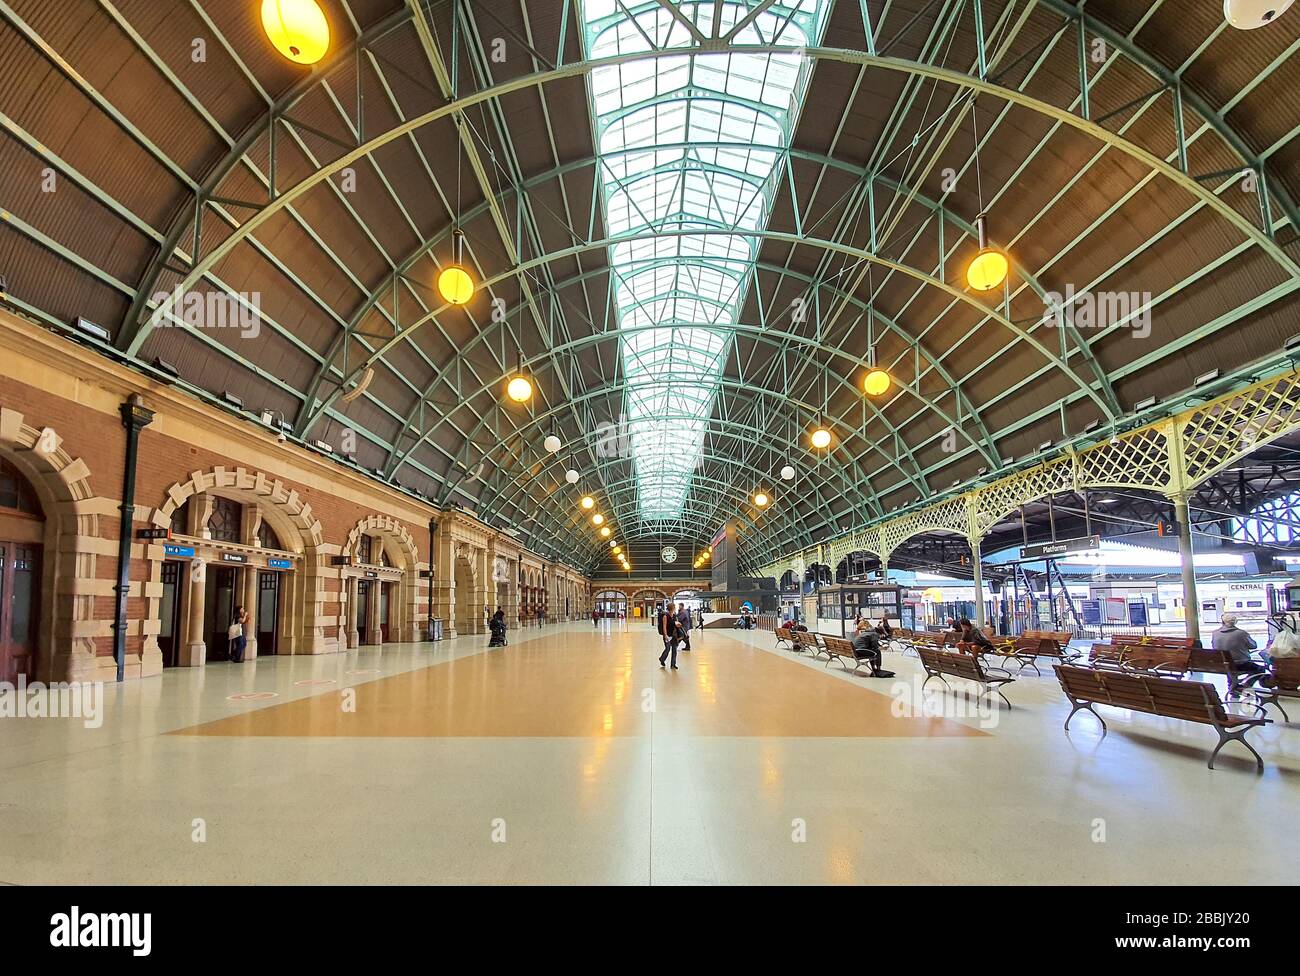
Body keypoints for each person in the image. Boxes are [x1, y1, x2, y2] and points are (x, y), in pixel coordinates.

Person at [1213, 613, 1265, 679]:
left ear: (1222, 622)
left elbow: (1215, 647)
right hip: (1240, 665)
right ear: (1235, 622)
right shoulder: (1241, 633)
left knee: (1230, 667)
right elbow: (1253, 646)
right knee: (1260, 670)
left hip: (1222, 665)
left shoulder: (1215, 633)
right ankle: (1246, 684)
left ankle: (1234, 685)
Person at [658, 601, 681, 669]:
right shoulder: (665, 616)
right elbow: (664, 626)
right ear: (671, 608)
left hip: (674, 635)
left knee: (674, 649)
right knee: (667, 649)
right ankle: (662, 659)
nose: (675, 608)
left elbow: (676, 624)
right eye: (674, 607)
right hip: (667, 635)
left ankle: (673, 664)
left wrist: (678, 625)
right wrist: (665, 635)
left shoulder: (674, 616)